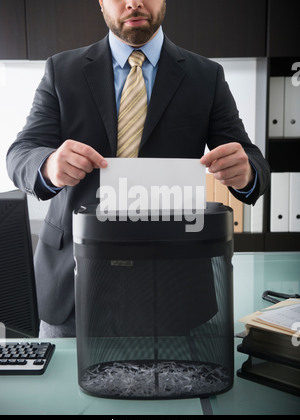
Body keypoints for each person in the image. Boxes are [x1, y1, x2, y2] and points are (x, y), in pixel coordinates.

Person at [6, 0, 270, 338]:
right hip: (73, 284)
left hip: (175, 288)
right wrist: (46, 165)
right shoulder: (62, 69)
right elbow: (21, 152)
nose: (134, 3)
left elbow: (253, 160)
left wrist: (246, 173)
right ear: (101, 2)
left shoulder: (206, 75)